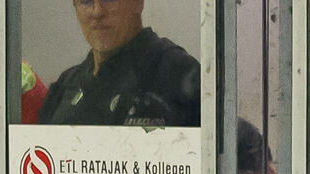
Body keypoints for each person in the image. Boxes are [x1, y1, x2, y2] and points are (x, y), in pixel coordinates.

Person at [38, 0, 200, 128]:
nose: (97, 11)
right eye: (86, 1)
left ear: (138, 3)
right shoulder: (65, 86)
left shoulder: (178, 73)